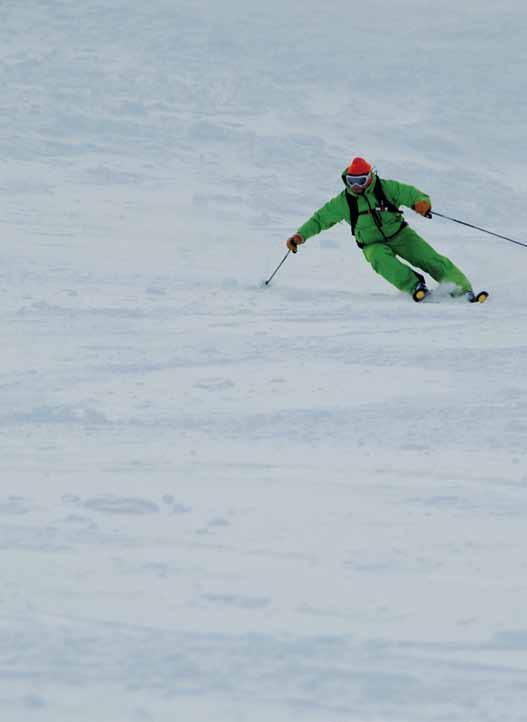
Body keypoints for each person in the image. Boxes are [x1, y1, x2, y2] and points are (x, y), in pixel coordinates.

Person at [286, 157, 477, 302]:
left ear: (370, 177)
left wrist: (421, 202)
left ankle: (462, 289)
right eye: (352, 181)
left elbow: (410, 193)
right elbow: (320, 220)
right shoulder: (344, 201)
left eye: (361, 180)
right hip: (371, 243)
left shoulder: (385, 188)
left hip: (400, 234)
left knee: (428, 257)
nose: (356, 186)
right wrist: (300, 236)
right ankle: (415, 286)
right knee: (380, 259)